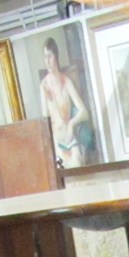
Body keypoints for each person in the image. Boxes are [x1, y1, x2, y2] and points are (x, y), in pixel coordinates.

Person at [39, 36, 90, 167]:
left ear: (56, 57)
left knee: (77, 163)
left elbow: (84, 112)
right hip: (57, 141)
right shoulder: (44, 85)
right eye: (45, 57)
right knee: (59, 167)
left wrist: (72, 123)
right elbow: (45, 121)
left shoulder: (66, 82)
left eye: (49, 56)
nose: (47, 61)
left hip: (70, 137)